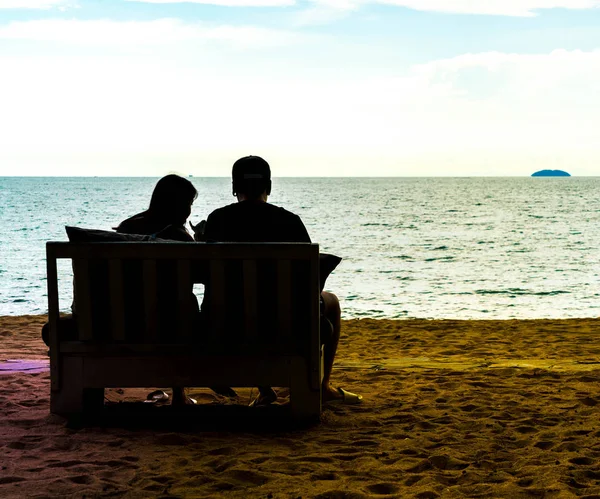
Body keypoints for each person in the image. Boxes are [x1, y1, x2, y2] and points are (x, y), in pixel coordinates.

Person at [202, 155, 362, 406]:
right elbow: (307, 281)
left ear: (234, 187)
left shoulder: (216, 220)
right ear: (269, 186)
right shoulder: (289, 221)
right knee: (330, 301)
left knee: (244, 301)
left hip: (226, 325)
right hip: (283, 327)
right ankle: (322, 386)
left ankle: (267, 389)